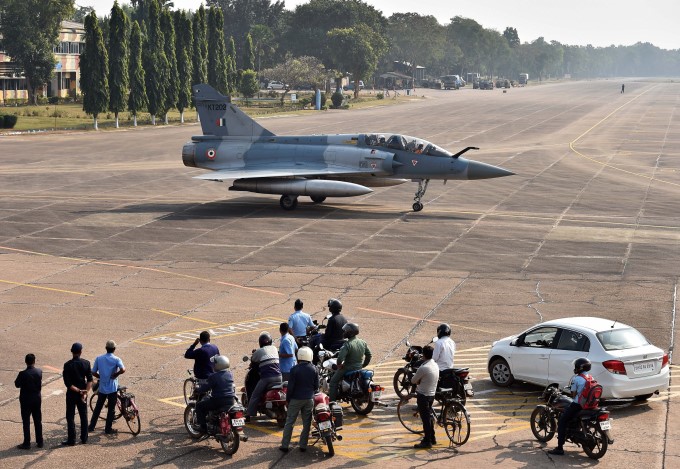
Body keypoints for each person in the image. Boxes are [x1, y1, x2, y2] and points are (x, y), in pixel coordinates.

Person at [549, 357, 593, 456]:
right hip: (588, 405)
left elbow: (573, 394)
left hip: (577, 405)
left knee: (562, 421)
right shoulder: (590, 377)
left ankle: (559, 448)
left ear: (579, 367)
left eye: (576, 366)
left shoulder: (577, 378)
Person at [280, 347, 319, 453]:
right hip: (309, 399)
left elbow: (290, 387)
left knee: (290, 422)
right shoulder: (314, 368)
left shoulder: (294, 369)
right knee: (306, 423)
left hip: (296, 399)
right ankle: (303, 445)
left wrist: (288, 400)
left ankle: (285, 445)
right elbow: (316, 386)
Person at [89, 340, 125, 435]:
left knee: (98, 407)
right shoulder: (117, 359)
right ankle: (108, 429)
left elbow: (93, 372)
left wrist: (100, 376)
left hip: (102, 388)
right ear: (114, 349)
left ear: (106, 348)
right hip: (112, 388)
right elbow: (123, 369)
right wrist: (116, 374)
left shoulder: (99, 358)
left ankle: (91, 426)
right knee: (111, 409)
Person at [329, 323, 372, 401]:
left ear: (350, 333)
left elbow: (340, 358)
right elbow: (369, 355)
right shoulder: (362, 342)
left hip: (347, 368)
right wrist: (363, 365)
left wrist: (339, 365)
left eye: (345, 331)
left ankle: (332, 402)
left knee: (333, 382)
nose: (344, 332)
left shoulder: (347, 344)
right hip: (359, 367)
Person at [194, 355, 235, 435]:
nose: (213, 365)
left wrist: (197, 390)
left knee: (199, 406)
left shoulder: (213, 376)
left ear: (218, 365)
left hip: (218, 400)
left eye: (214, 364)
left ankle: (203, 428)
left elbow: (205, 388)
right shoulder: (230, 374)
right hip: (231, 400)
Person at [62, 342, 93, 446]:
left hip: (72, 394)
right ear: (80, 352)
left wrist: (79, 391)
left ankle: (72, 439)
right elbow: (90, 380)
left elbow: (68, 384)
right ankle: (84, 438)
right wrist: (86, 392)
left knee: (70, 416)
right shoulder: (86, 363)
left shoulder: (67, 365)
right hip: (82, 394)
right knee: (83, 416)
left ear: (72, 351)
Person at [247, 332, 282, 419]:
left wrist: (254, 353)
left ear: (260, 342)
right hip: (279, 377)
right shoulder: (274, 348)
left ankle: (249, 413)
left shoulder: (259, 351)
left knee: (255, 395)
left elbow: (253, 360)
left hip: (267, 378)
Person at [411, 345, 439, 449]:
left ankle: (427, 441)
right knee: (429, 417)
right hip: (432, 395)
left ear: (423, 355)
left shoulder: (423, 367)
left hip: (423, 395)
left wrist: (418, 380)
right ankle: (432, 437)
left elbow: (413, 381)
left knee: (426, 419)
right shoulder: (435, 365)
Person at [15, 353, 43, 449]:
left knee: (26, 421)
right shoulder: (39, 372)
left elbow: (17, 384)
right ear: (34, 361)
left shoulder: (23, 374)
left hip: (26, 400)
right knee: (37, 420)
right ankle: (40, 441)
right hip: (36, 399)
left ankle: (27, 443)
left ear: (25, 362)